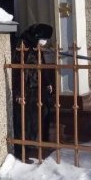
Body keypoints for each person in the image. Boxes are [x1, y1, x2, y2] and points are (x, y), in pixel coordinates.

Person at [12, 23, 55, 158]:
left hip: (37, 88)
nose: (45, 41)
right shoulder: (22, 45)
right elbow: (19, 71)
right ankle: (23, 152)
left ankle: (35, 146)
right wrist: (19, 91)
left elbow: (40, 67)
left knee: (39, 118)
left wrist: (47, 82)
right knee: (25, 121)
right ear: (37, 36)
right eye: (44, 38)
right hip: (26, 90)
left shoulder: (35, 46)